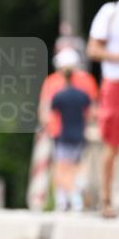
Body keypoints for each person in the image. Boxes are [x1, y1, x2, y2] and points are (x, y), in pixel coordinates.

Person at [37, 46, 98, 212]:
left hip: (59, 131)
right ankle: (73, 197)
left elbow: (45, 110)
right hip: (79, 131)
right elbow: (92, 111)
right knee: (76, 165)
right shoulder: (86, 82)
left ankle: (64, 200)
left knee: (61, 166)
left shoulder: (52, 82)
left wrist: (47, 125)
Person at [87, 0, 119, 218]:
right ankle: (106, 200)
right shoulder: (111, 12)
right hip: (115, 84)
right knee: (112, 145)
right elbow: (93, 50)